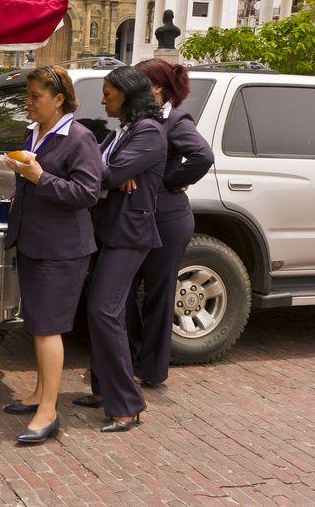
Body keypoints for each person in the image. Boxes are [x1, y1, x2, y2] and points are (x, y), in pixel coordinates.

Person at [2, 66, 102, 444]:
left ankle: (49, 411)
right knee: (37, 322)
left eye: (35, 97)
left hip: (62, 248)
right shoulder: (35, 132)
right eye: (27, 96)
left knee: (48, 328)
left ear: (59, 99)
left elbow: (87, 194)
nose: (27, 103)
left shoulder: (79, 138)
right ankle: (40, 394)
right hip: (33, 241)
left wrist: (40, 177)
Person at [74, 66, 166, 432]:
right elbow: (103, 168)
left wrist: (114, 170)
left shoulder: (149, 132)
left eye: (109, 93)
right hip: (110, 229)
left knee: (104, 311)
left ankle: (127, 403)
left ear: (127, 95)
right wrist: (112, 168)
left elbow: (103, 173)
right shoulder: (125, 130)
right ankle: (103, 390)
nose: (102, 99)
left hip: (130, 233)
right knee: (104, 311)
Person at [127, 59, 214, 387]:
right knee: (121, 292)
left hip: (167, 218)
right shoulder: (136, 119)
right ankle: (130, 360)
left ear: (157, 87)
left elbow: (202, 156)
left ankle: (151, 369)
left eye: (139, 81)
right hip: (137, 217)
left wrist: (166, 179)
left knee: (158, 296)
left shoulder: (174, 119)